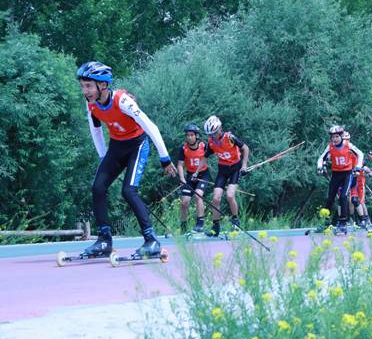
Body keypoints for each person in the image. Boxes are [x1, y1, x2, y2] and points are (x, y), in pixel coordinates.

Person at [76, 61, 176, 257]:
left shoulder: (122, 101)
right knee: (98, 187)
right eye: (82, 86)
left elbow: (150, 127)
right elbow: (95, 132)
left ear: (102, 85)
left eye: (88, 85)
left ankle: (151, 240)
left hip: (137, 145)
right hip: (116, 146)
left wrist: (165, 159)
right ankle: (104, 240)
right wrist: (104, 159)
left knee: (128, 191)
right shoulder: (91, 104)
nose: (85, 90)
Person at [195, 115, 249, 237]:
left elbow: (245, 148)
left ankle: (235, 221)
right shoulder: (211, 142)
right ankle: (215, 227)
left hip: (235, 169)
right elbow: (204, 157)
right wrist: (196, 172)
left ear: (220, 128)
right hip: (222, 170)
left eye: (214, 132)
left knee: (230, 196)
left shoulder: (230, 137)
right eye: (210, 134)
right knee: (216, 198)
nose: (213, 136)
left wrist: (244, 165)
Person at [317, 126, 364, 232]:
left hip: (347, 174)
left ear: (341, 136)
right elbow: (322, 157)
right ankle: (325, 222)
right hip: (336, 174)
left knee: (343, 196)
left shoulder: (348, 145)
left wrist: (358, 167)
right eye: (333, 137)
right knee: (330, 198)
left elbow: (360, 154)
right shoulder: (330, 146)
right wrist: (320, 166)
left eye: (337, 136)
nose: (335, 139)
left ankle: (343, 222)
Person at [177, 124, 210, 234]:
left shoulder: (203, 146)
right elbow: (180, 165)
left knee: (198, 195)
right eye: (187, 135)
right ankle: (183, 226)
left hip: (203, 175)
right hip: (190, 176)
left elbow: (206, 158)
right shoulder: (183, 148)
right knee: (184, 202)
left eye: (192, 135)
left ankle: (200, 223)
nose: (189, 137)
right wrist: (182, 179)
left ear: (196, 136)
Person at [342, 131, 372, 229]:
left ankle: (367, 220)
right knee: (351, 200)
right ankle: (352, 219)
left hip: (360, 181)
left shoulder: (353, 149)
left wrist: (366, 170)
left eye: (347, 139)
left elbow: (364, 165)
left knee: (361, 201)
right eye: (344, 139)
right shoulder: (343, 151)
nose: (345, 141)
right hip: (351, 179)